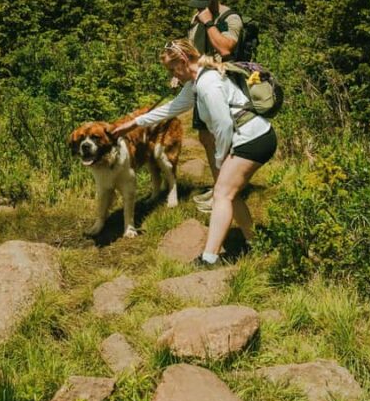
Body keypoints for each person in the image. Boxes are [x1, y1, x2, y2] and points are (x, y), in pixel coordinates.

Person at [112, 38, 277, 266]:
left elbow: (223, 126)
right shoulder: (197, 81)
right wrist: (134, 124)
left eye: (172, 69)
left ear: (183, 61)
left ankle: (210, 258)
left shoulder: (208, 83)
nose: (173, 76)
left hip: (254, 139)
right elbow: (172, 108)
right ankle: (255, 243)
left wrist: (220, 158)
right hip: (251, 137)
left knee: (222, 194)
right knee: (230, 193)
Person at [186, 0, 244, 213]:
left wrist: (209, 22)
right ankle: (218, 184)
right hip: (201, 83)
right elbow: (193, 48)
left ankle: (227, 191)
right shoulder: (197, 17)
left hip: (223, 84)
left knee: (222, 137)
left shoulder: (230, 18)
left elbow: (225, 48)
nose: (199, 8)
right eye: (197, 4)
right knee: (205, 138)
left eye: (204, 3)